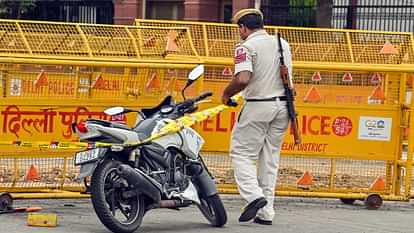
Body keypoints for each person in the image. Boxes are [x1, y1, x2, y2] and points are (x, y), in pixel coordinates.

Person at [221, 8, 293, 225]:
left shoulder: (246, 47)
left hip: (257, 106)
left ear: (243, 27)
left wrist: (226, 94)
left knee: (241, 153)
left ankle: (253, 197)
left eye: (239, 29)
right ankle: (266, 213)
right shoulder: (283, 44)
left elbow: (243, 79)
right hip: (283, 107)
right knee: (269, 160)